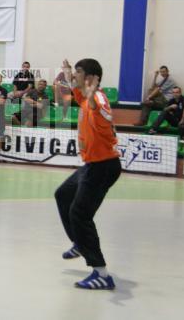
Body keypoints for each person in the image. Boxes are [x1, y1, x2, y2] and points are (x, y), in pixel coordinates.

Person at [54, 58, 120, 290]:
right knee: (63, 194)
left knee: (80, 214)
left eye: (79, 72)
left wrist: (93, 98)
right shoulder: (85, 97)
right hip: (92, 165)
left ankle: (101, 273)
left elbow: (99, 110)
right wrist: (66, 72)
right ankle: (79, 243)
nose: (75, 76)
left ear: (91, 78)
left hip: (104, 166)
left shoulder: (97, 98)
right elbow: (79, 95)